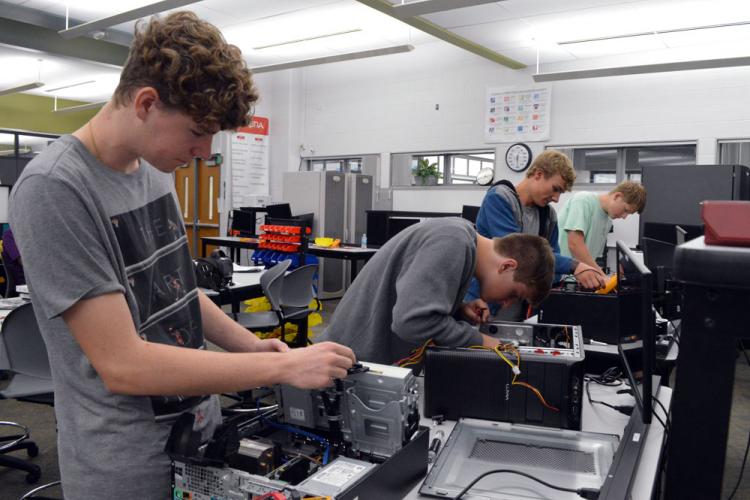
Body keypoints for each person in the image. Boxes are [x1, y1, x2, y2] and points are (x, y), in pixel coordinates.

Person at [9, 12, 354, 499]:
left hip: (196, 431)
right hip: (125, 461)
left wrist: (250, 347)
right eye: (197, 132)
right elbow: (123, 365)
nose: (204, 151)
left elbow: (177, 288)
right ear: (146, 103)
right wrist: (279, 369)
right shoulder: (55, 189)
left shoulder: (152, 169)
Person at [318, 217, 555, 364]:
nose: (507, 304)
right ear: (507, 265)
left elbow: (410, 300)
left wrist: (459, 311)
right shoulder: (452, 241)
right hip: (344, 364)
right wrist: (481, 340)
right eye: (514, 295)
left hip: (355, 360)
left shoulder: (460, 237)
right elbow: (411, 322)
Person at [464, 150, 606, 320]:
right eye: (556, 189)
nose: (556, 198)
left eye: (561, 193)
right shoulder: (500, 198)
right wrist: (576, 266)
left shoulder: (549, 216)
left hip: (515, 302)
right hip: (481, 301)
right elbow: (514, 253)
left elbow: (553, 258)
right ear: (539, 174)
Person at [557, 181, 647, 273]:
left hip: (577, 277)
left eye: (628, 214)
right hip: (559, 275)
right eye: (626, 210)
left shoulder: (608, 220)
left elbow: (590, 258)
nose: (624, 217)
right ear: (617, 196)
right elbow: (574, 244)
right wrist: (600, 274)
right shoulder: (583, 200)